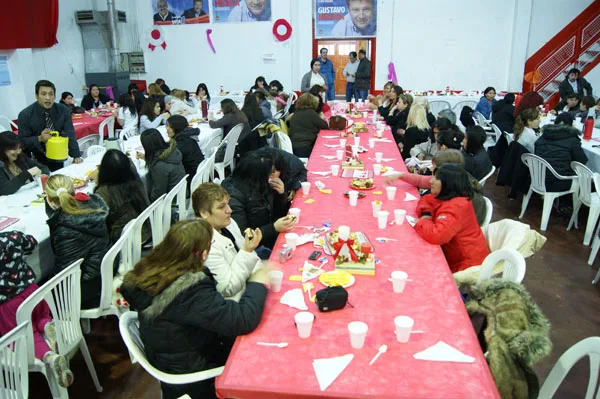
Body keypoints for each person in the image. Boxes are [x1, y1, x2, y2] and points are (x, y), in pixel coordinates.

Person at [120, 219, 269, 399]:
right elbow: (243, 320)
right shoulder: (188, 290)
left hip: (171, 356)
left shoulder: (151, 271)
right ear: (204, 254)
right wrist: (257, 281)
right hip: (194, 372)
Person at [0, 231, 74, 388]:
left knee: (26, 336)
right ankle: (47, 326)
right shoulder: (11, 237)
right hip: (33, 291)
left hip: (10, 305)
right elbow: (31, 243)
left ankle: (49, 357)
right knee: (41, 315)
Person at [45, 174, 110, 309]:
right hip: (102, 269)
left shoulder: (66, 228)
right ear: (73, 192)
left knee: (39, 292)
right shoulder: (90, 205)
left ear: (49, 200)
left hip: (90, 282)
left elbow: (64, 275)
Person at [413, 164, 490, 273]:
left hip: (466, 266)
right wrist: (426, 213)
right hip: (455, 255)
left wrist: (425, 220)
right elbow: (426, 199)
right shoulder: (449, 196)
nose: (431, 181)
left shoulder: (456, 207)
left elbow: (436, 236)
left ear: (448, 184)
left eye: (436, 178)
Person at [192, 183, 262, 301]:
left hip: (251, 281)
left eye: (228, 204)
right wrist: (247, 251)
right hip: (237, 302)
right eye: (221, 207)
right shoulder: (205, 245)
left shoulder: (228, 223)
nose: (229, 210)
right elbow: (227, 289)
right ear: (204, 213)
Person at [385, 149, 487, 226]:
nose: (431, 169)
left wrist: (426, 218)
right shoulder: (450, 180)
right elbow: (421, 180)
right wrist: (401, 175)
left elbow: (442, 228)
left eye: (434, 167)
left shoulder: (461, 196)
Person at [221, 152, 296, 249]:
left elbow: (279, 213)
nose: (272, 175)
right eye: (269, 173)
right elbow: (243, 237)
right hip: (256, 247)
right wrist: (273, 228)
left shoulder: (260, 183)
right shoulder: (233, 196)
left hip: (270, 235)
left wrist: (281, 195)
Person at [17, 80, 82, 171]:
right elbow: (22, 142)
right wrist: (39, 138)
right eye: (43, 94)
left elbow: (70, 133)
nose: (48, 98)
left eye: (51, 94)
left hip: (58, 153)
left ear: (55, 96)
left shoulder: (63, 110)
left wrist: (76, 155)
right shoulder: (25, 115)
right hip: (36, 157)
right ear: (36, 96)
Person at [92, 150, 151, 244]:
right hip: (146, 230)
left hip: (123, 240)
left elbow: (99, 222)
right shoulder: (137, 181)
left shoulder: (104, 191)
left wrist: (97, 182)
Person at [535, 115, 587, 212]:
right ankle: (567, 205)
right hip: (556, 181)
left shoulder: (543, 136)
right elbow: (582, 161)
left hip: (537, 177)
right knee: (581, 178)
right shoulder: (572, 140)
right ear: (571, 125)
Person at [140, 129, 187, 202]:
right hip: (181, 193)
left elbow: (159, 194)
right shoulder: (172, 151)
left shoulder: (159, 165)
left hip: (172, 201)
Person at [0, 131, 49, 195]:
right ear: (3, 150)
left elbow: (44, 168)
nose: (18, 151)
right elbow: (4, 189)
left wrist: (39, 175)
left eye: (19, 148)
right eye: (14, 149)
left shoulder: (20, 157)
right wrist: (27, 173)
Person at [288, 93, 329, 157]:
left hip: (295, 146)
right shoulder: (311, 113)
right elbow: (325, 126)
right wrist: (322, 118)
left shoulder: (295, 113)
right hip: (306, 147)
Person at [166, 115, 204, 183]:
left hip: (192, 177)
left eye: (170, 127)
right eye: (167, 126)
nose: (167, 129)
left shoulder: (181, 143)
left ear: (177, 127)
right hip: (199, 171)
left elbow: (168, 158)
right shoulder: (187, 135)